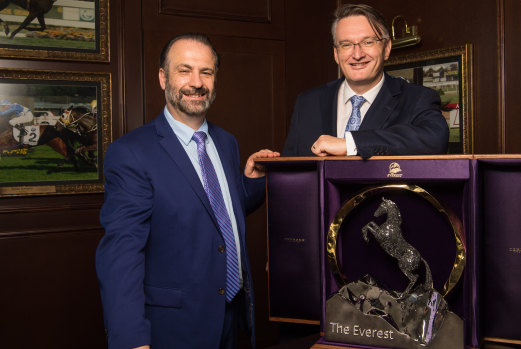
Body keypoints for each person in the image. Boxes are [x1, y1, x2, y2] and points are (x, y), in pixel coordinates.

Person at [95, 33, 279, 349]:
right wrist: (130, 339)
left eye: (206, 72)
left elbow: (212, 217)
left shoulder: (226, 142)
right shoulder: (131, 153)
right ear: (163, 78)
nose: (196, 82)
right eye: (185, 70)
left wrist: (251, 182)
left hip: (232, 317)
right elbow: (121, 254)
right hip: (176, 327)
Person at [282, 4, 449, 158]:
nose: (357, 54)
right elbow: (290, 173)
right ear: (336, 54)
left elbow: (435, 139)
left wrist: (350, 144)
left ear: (387, 48)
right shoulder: (307, 102)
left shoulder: (417, 98)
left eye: (368, 42)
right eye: (346, 45)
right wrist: (264, 175)